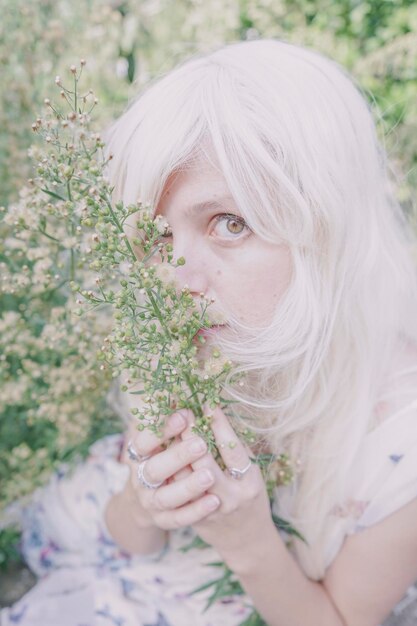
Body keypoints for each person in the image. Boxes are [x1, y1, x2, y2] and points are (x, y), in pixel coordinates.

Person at [2, 38, 417, 626]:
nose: (175, 280)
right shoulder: (186, 353)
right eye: (154, 238)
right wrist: (148, 504)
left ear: (327, 230)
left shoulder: (402, 443)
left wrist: (245, 539)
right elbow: (125, 540)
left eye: (230, 223)